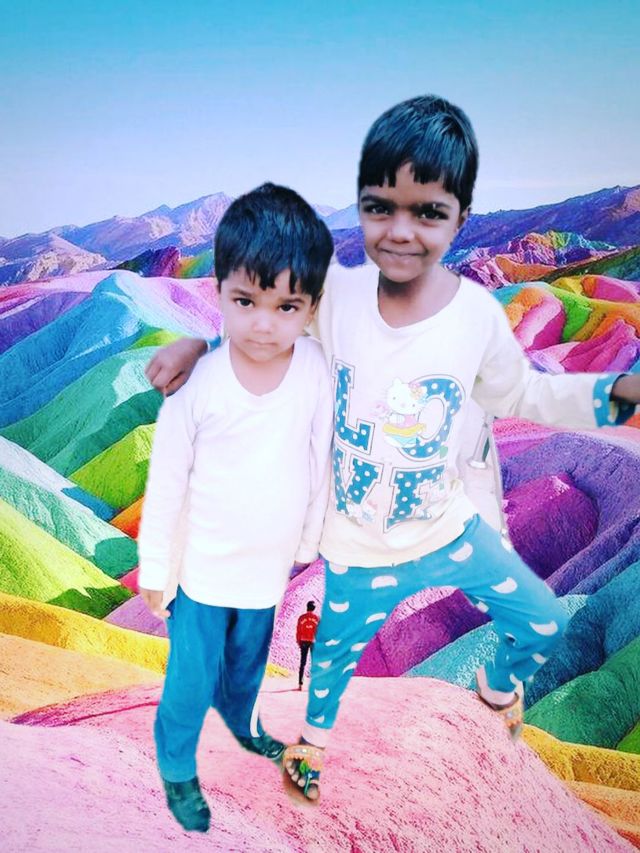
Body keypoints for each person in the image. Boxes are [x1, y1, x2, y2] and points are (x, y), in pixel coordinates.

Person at [144, 95, 640, 806]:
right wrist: (199, 346)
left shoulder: (475, 318)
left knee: (544, 619)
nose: (401, 231)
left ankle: (494, 688)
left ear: (461, 218)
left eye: (428, 212)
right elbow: (265, 330)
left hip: (449, 532)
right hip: (359, 544)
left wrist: (615, 390)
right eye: (381, 208)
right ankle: (310, 748)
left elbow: (525, 393)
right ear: (362, 206)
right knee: (329, 673)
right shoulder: (337, 300)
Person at [138, 182, 334, 831]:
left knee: (248, 664)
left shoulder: (314, 369)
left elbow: (320, 452)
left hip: (267, 569)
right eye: (245, 301)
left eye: (286, 306)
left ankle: (245, 724)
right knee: (190, 680)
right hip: (202, 572)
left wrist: (307, 538)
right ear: (218, 291)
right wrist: (155, 568)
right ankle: (177, 770)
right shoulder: (198, 385)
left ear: (310, 308)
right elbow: (167, 481)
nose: (263, 323)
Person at [296, 601, 320, 690]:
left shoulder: (301, 618)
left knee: (303, 663)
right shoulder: (317, 618)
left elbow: (298, 630)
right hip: (313, 642)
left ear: (307, 607)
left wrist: (299, 641)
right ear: (314, 608)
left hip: (303, 641)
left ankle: (300, 684)